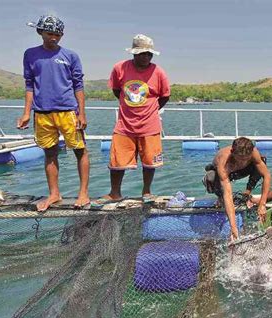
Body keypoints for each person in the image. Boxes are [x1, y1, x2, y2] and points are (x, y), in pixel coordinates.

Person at [17, 15, 90, 211]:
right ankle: (54, 194)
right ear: (40, 32)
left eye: (58, 34)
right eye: (50, 34)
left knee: (80, 150)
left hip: (68, 111)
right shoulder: (30, 54)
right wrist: (26, 113)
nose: (54, 38)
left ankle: (83, 193)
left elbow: (78, 85)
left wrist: (81, 113)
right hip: (42, 113)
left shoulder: (71, 56)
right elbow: (29, 84)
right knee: (50, 153)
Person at [97, 34, 170, 203]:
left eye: (149, 54)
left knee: (149, 162)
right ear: (134, 53)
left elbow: (165, 96)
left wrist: (151, 110)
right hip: (124, 125)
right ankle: (115, 193)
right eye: (142, 53)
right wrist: (130, 106)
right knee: (116, 161)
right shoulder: (119, 68)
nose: (146, 57)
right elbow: (117, 90)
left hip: (149, 125)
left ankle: (146, 192)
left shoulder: (158, 72)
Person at [202, 137, 271, 240]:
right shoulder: (224, 161)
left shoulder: (254, 153)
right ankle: (219, 198)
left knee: (262, 161)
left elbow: (267, 176)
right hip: (219, 173)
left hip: (241, 172)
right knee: (211, 177)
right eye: (240, 159)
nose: (243, 162)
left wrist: (262, 204)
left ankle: (247, 193)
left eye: (246, 159)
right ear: (232, 152)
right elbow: (228, 195)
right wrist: (233, 228)